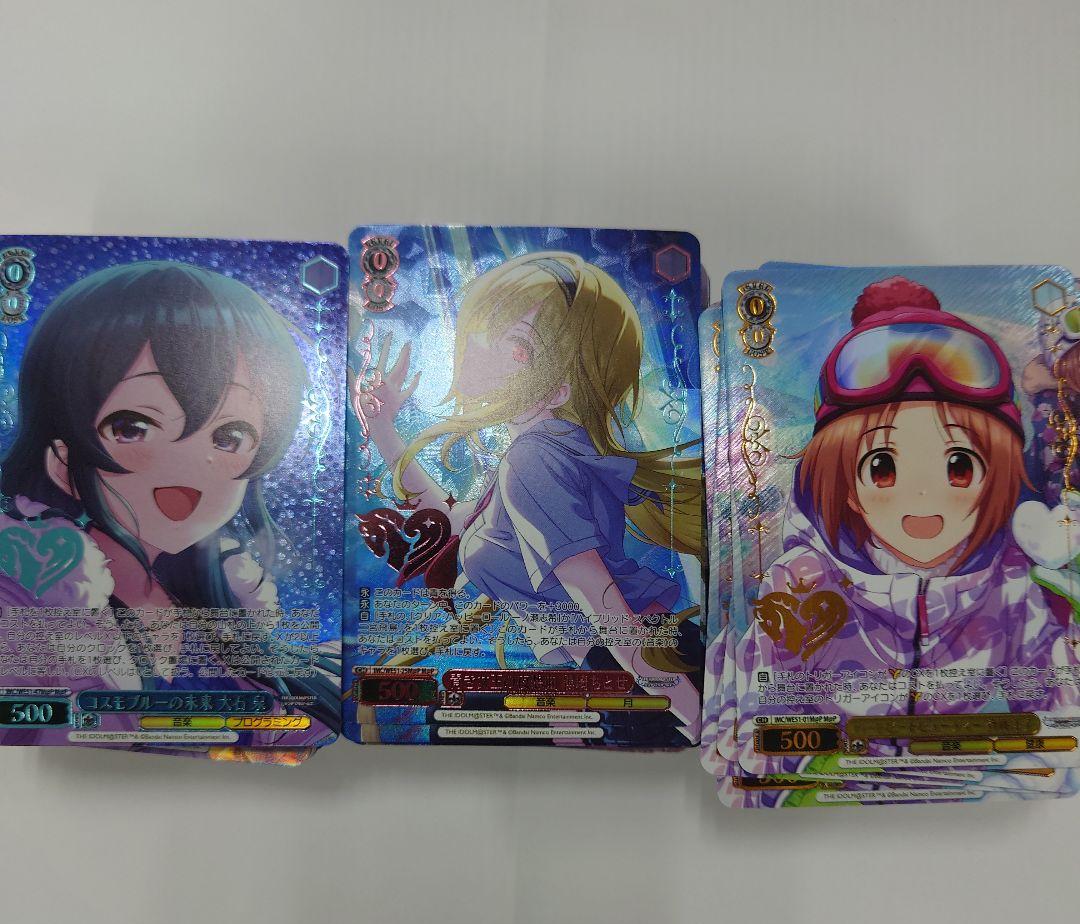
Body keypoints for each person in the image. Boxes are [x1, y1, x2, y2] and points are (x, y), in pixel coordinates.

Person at [709, 276, 1073, 769]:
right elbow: (745, 723)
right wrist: (807, 772)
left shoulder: (1007, 587)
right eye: (881, 467)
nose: (923, 496)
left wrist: (1017, 764)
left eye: (959, 467)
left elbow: (1059, 719)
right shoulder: (805, 587)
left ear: (997, 479)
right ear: (844, 485)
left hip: (959, 792)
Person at [356, 250, 702, 732]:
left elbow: (604, 606)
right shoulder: (540, 450)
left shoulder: (534, 459)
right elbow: (455, 526)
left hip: (646, 665)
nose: (483, 344)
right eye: (489, 325)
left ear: (561, 388)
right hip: (614, 668)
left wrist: (698, 720)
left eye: (518, 343)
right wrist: (382, 429)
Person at [0, 261, 339, 731]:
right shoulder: (27, 605)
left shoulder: (217, 601)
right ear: (62, 457)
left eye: (229, 437)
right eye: (132, 427)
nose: (189, 466)